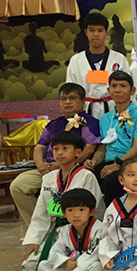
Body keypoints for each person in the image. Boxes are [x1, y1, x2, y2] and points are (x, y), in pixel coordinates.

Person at [10, 83, 99, 226]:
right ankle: (39, 228)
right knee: (18, 186)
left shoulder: (88, 122)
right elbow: (39, 147)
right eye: (63, 99)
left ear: (83, 101)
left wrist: (59, 165)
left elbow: (89, 148)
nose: (67, 102)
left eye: (72, 98)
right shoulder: (54, 124)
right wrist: (40, 165)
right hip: (47, 169)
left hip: (72, 169)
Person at [21, 132, 103, 271]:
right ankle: (66, 269)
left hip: (79, 229)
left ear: (78, 152)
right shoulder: (48, 178)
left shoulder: (86, 176)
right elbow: (41, 212)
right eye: (56, 149)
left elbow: (94, 209)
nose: (59, 153)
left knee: (85, 265)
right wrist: (35, 240)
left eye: (65, 148)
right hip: (56, 229)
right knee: (29, 266)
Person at [85, 71, 137, 205]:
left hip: (129, 162)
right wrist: (94, 161)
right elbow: (103, 148)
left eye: (123, 86)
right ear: (109, 90)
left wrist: (118, 164)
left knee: (111, 181)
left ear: (132, 91)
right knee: (85, 176)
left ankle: (113, 215)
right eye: (114, 86)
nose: (118, 90)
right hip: (108, 162)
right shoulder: (105, 118)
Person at [37, 189, 104, 271]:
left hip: (88, 267)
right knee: (42, 266)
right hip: (72, 267)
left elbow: (91, 255)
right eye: (70, 210)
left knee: (98, 268)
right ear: (64, 213)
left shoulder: (99, 229)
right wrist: (64, 263)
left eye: (81, 210)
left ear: (91, 211)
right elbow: (54, 253)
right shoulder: (65, 231)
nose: (76, 215)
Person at [66, 12, 130, 119]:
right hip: (86, 111)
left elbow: (127, 89)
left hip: (114, 110)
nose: (96, 34)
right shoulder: (76, 61)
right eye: (91, 30)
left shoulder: (119, 59)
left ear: (106, 33)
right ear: (86, 32)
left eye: (100, 30)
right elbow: (71, 91)